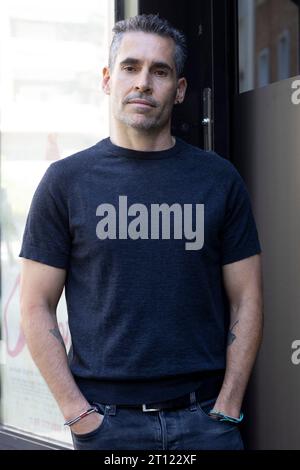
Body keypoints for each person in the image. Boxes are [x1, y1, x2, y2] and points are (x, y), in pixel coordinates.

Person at [19, 14, 263, 450]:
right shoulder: (65, 182)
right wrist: (78, 414)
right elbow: (36, 305)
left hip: (205, 421)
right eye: (131, 67)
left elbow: (247, 296)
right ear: (108, 80)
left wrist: (227, 405)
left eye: (160, 71)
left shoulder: (219, 180)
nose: (144, 82)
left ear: (180, 89)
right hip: (108, 425)